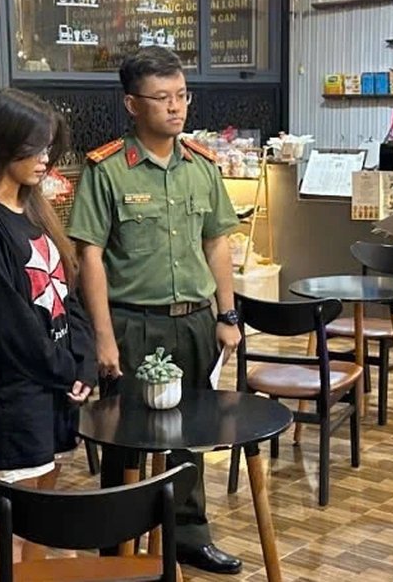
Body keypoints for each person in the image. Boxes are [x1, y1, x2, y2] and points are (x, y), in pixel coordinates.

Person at [67, 46, 243, 575]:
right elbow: (90, 256)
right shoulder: (106, 169)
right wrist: (103, 338)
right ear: (132, 104)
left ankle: (188, 535)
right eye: (162, 97)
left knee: (190, 435)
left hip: (193, 320)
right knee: (125, 438)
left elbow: (216, 242)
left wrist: (227, 315)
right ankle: (117, 543)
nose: (175, 107)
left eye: (182, 95)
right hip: (132, 323)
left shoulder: (201, 165)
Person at [0, 89, 96, 582]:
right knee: (9, 525)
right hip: (15, 392)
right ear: (0, 143)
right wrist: (65, 371)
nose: (44, 158)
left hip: (54, 387)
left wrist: (83, 362)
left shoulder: (35, 209)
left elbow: (68, 293)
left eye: (48, 146)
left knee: (40, 514)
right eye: (33, 147)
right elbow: (6, 325)